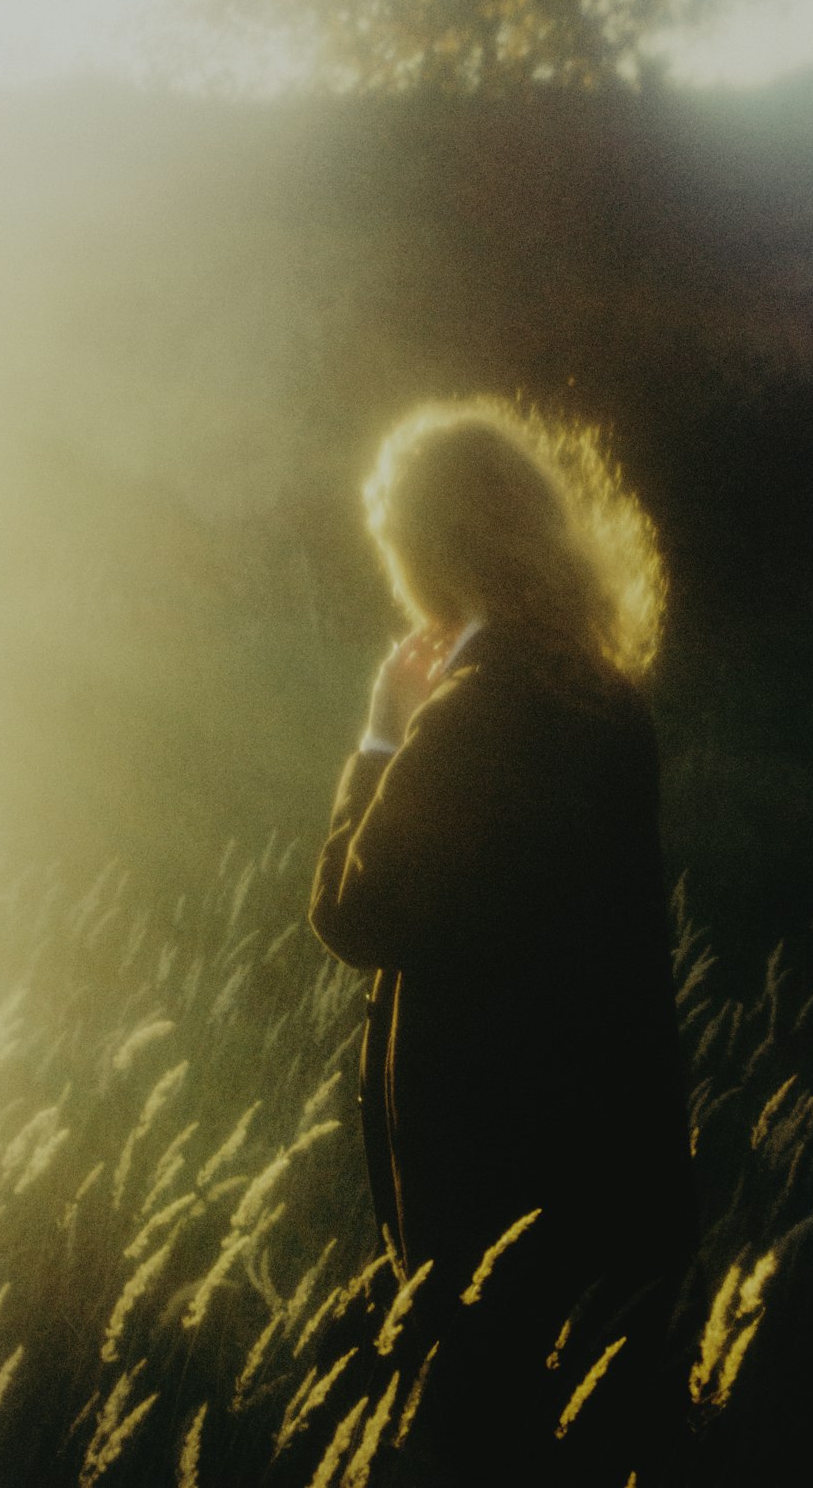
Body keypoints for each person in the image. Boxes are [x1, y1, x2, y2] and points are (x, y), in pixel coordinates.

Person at [308, 400, 698, 1484]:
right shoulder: (601, 694)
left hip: (493, 1197)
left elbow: (357, 913)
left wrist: (383, 729)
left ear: (421, 552)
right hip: (612, 1172)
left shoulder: (474, 711)